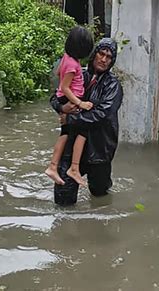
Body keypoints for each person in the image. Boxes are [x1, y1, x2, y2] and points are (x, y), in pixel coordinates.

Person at [49, 38, 123, 206]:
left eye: (108, 57)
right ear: (94, 54)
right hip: (72, 146)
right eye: (101, 54)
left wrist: (71, 118)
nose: (103, 59)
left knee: (100, 194)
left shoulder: (113, 86)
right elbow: (57, 96)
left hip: (99, 149)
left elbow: (102, 114)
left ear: (112, 61)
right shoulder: (77, 73)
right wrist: (62, 108)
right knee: (63, 196)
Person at [45, 26, 94, 187]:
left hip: (64, 98)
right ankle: (74, 168)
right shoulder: (73, 65)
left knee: (65, 133)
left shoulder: (66, 58)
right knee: (83, 132)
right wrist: (79, 103)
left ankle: (53, 166)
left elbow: (58, 73)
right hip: (71, 99)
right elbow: (65, 86)